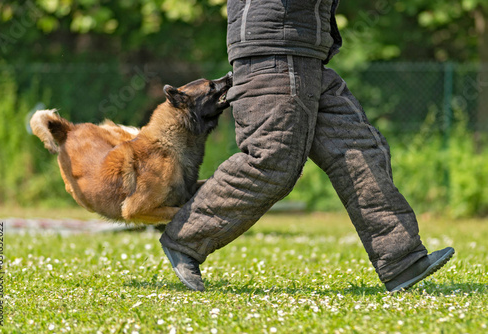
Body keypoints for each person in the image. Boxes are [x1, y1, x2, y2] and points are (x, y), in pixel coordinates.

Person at [159, 0, 455, 293]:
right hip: (275, 51)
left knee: (357, 148)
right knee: (272, 161)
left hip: (305, 52)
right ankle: (185, 238)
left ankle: (401, 260)